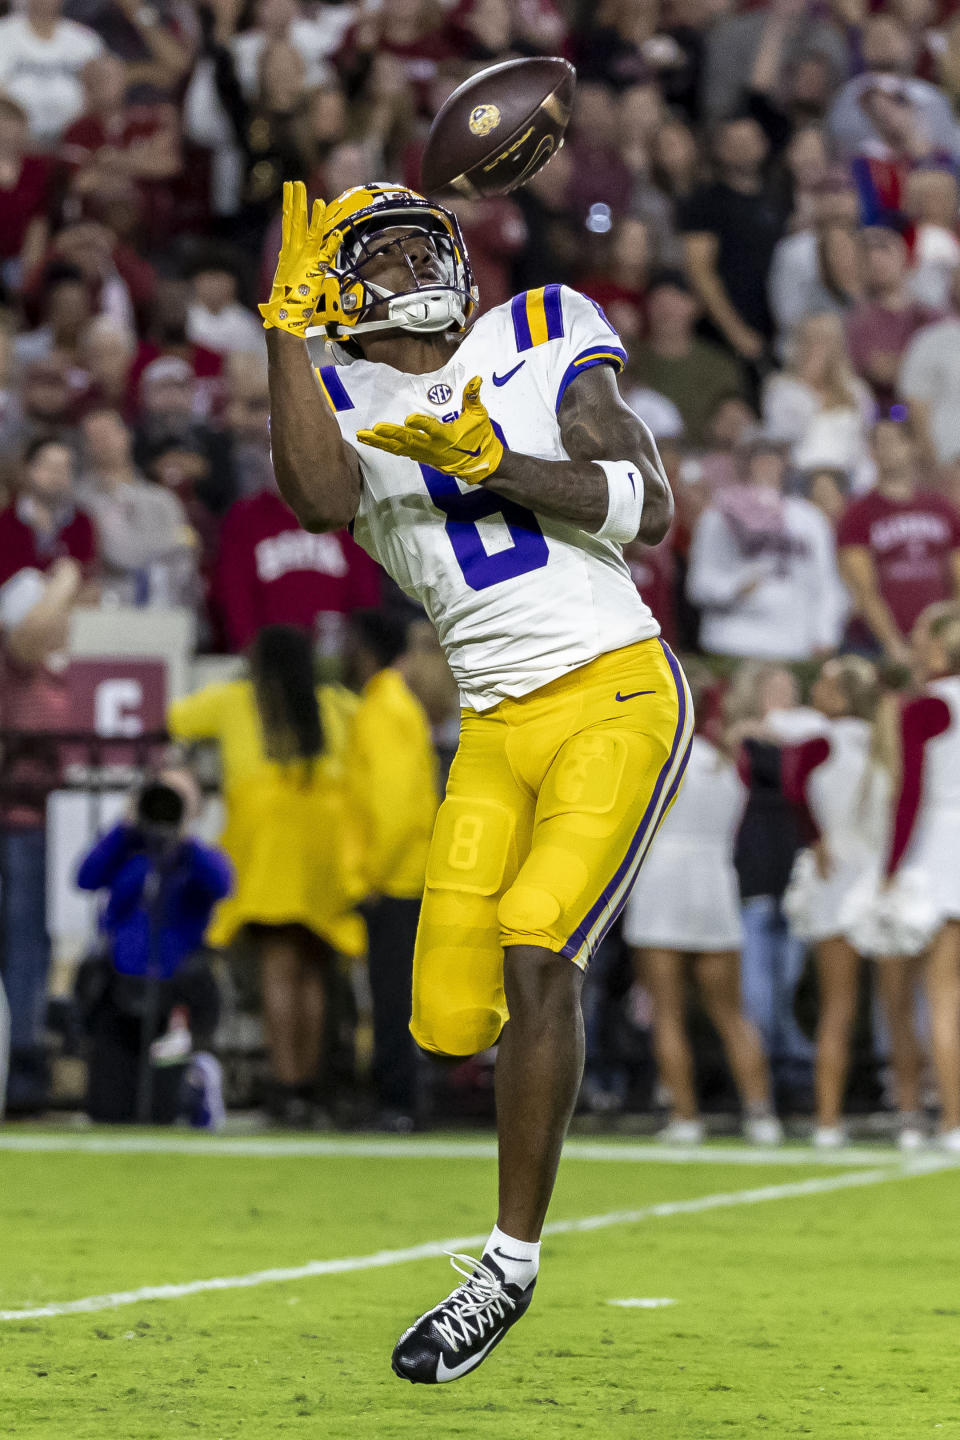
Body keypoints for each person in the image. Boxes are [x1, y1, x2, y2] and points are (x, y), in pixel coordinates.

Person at [264, 180, 683, 1383]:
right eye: (377, 256)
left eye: (417, 241)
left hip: (615, 684)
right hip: (495, 725)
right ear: (338, 294)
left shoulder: (541, 329)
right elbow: (318, 497)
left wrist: (500, 462)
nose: (407, 263)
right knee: (448, 1022)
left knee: (539, 942)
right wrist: (283, 336)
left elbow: (649, 505)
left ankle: (508, 1264)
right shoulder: (335, 389)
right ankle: (527, 1141)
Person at [167, 624, 364, 1126]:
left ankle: (285, 1085)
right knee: (313, 967)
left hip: (267, 843)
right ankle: (310, 1086)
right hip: (324, 842)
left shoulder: (238, 699)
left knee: (278, 966)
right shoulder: (332, 702)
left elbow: (178, 717)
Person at [622, 664, 780, 1147]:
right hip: (713, 886)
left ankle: (686, 1118)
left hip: (661, 885)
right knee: (731, 1013)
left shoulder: (651, 755)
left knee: (668, 1014)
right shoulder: (728, 757)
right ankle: (761, 1117)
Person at [75, 768, 231, 1127]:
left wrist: (183, 842)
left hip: (174, 998)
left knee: (163, 1113)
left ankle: (195, 1083)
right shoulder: (128, 851)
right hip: (120, 993)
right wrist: (127, 827)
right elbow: (86, 877)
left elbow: (222, 885)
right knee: (108, 1112)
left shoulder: (197, 857)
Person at [780, 656, 886, 1148]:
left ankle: (828, 1122)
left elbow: (792, 787)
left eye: (822, 683)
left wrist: (813, 837)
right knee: (901, 1008)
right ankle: (918, 1115)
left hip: (839, 874)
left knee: (839, 1008)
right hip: (882, 873)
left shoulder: (818, 741)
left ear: (842, 696)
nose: (814, 689)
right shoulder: (885, 739)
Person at [343, 609, 439, 1131]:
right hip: (409, 872)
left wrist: (371, 876)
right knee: (400, 996)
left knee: (392, 999)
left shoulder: (382, 707)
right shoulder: (401, 706)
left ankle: (397, 1102)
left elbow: (393, 804)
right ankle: (402, 1098)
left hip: (394, 879)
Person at [870, 601, 960, 1152]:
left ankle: (951, 1122)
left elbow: (909, 796)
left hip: (940, 850)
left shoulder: (926, 706)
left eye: (923, 636)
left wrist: (891, 869)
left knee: (940, 996)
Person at [685, 434, 844, 660]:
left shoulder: (809, 517)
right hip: (732, 641)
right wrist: (735, 586)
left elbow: (826, 583)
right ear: (743, 466)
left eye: (772, 459)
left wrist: (826, 634)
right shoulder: (717, 515)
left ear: (784, 465)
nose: (765, 466)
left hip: (794, 646)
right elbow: (699, 584)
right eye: (757, 459)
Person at [837, 418, 960, 664]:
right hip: (877, 646)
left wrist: (946, 637)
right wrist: (894, 645)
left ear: (911, 446)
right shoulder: (857, 513)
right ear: (870, 451)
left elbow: (957, 578)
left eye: (894, 441)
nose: (887, 449)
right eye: (879, 442)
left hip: (939, 644)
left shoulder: (942, 509)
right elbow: (864, 589)